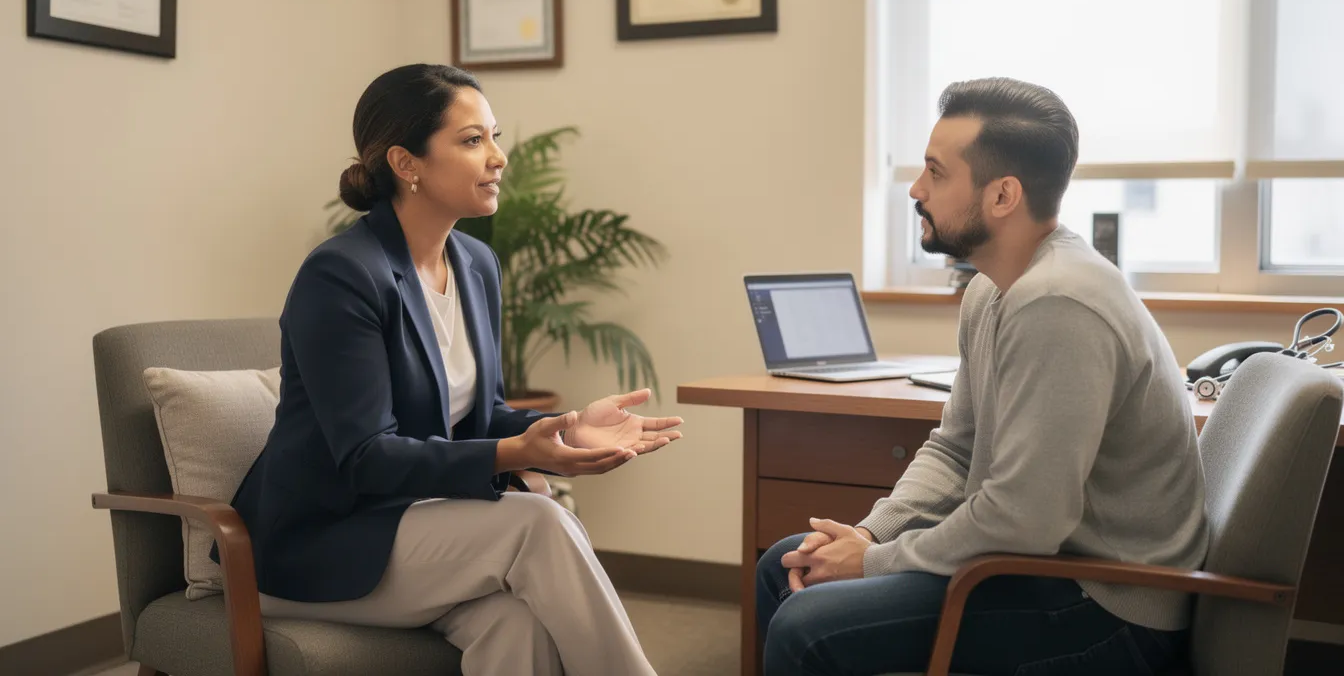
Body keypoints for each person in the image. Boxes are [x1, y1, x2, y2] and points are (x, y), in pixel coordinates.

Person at [222, 64, 682, 675]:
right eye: (472, 140)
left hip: (417, 528)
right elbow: (365, 456)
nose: (498, 157)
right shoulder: (341, 275)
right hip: (321, 542)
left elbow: (480, 413)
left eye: (494, 136)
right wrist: (514, 454)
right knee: (538, 522)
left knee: (514, 626)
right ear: (405, 164)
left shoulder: (475, 263)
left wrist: (566, 427)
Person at [755, 78, 1209, 675]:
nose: (916, 190)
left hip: (1105, 604)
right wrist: (867, 536)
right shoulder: (991, 289)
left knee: (806, 626)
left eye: (936, 174)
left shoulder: (1059, 303)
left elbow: (1023, 520)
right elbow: (955, 448)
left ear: (1002, 196)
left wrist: (872, 563)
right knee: (785, 563)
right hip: (1043, 566)